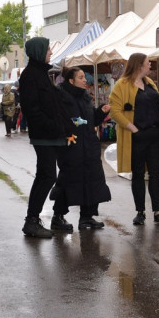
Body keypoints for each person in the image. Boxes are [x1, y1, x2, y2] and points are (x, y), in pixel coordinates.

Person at [18, 37, 75, 238]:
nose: (51, 52)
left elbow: (55, 107)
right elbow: (32, 111)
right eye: (48, 48)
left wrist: (68, 126)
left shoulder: (42, 74)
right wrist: (55, 127)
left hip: (53, 134)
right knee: (47, 175)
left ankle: (49, 217)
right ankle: (32, 220)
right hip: (44, 136)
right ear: (39, 51)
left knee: (54, 174)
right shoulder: (30, 76)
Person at [110, 53, 159, 227]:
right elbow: (115, 111)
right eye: (147, 63)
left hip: (154, 135)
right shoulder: (122, 85)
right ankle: (140, 212)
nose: (150, 65)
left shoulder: (149, 84)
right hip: (136, 136)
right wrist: (133, 129)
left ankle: (158, 212)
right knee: (137, 174)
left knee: (155, 174)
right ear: (138, 66)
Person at [51, 66, 112, 231]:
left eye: (84, 77)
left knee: (91, 180)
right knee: (68, 181)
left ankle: (87, 217)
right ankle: (57, 217)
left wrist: (100, 112)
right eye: (81, 77)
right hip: (72, 147)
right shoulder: (62, 97)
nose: (85, 80)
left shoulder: (85, 97)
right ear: (71, 81)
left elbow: (89, 120)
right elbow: (64, 122)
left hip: (89, 146)